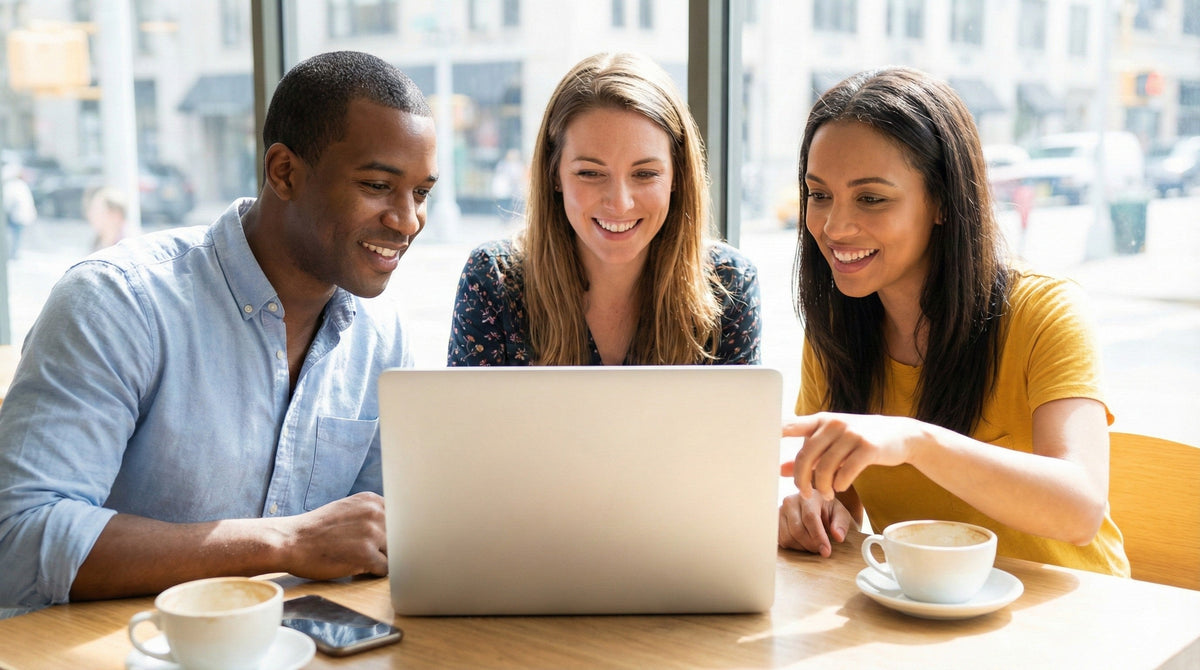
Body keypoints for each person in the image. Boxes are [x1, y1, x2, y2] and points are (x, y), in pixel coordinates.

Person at [0, 50, 438, 614]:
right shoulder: (118, 301)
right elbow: (17, 540)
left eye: (421, 193)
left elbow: (378, 539)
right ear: (284, 172)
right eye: (378, 185)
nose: (408, 220)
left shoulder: (382, 335)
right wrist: (284, 543)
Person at [777, 67, 1129, 577]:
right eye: (819, 193)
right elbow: (843, 515)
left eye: (871, 198)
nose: (833, 226)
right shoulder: (837, 330)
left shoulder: (1045, 312)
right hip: (929, 617)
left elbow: (1081, 509)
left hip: (1071, 625)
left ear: (942, 201)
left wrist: (914, 442)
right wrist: (811, 515)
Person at [447, 52, 761, 366]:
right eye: (591, 173)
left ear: (677, 176)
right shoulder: (494, 280)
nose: (620, 203)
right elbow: (465, 416)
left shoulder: (728, 283)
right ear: (553, 174)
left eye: (645, 174)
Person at [2, 163, 37, 260]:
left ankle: (13, 255)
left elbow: (9, 201)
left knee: (13, 236)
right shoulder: (21, 185)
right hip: (22, 215)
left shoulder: (14, 185)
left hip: (17, 216)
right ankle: (14, 254)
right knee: (16, 236)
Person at [84, 186, 128, 250]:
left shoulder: (129, 245)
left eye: (97, 210)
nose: (90, 215)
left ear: (115, 215)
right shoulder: (97, 243)